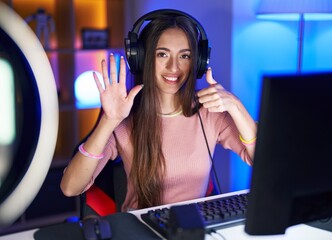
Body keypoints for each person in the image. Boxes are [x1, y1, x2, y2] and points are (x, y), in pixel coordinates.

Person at [60, 9, 257, 211]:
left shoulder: (210, 112)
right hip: (141, 229)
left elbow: (261, 160)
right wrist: (109, 121)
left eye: (185, 56)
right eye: (162, 54)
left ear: (197, 62)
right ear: (142, 58)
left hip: (193, 228)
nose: (174, 67)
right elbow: (71, 188)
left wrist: (236, 106)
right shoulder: (124, 119)